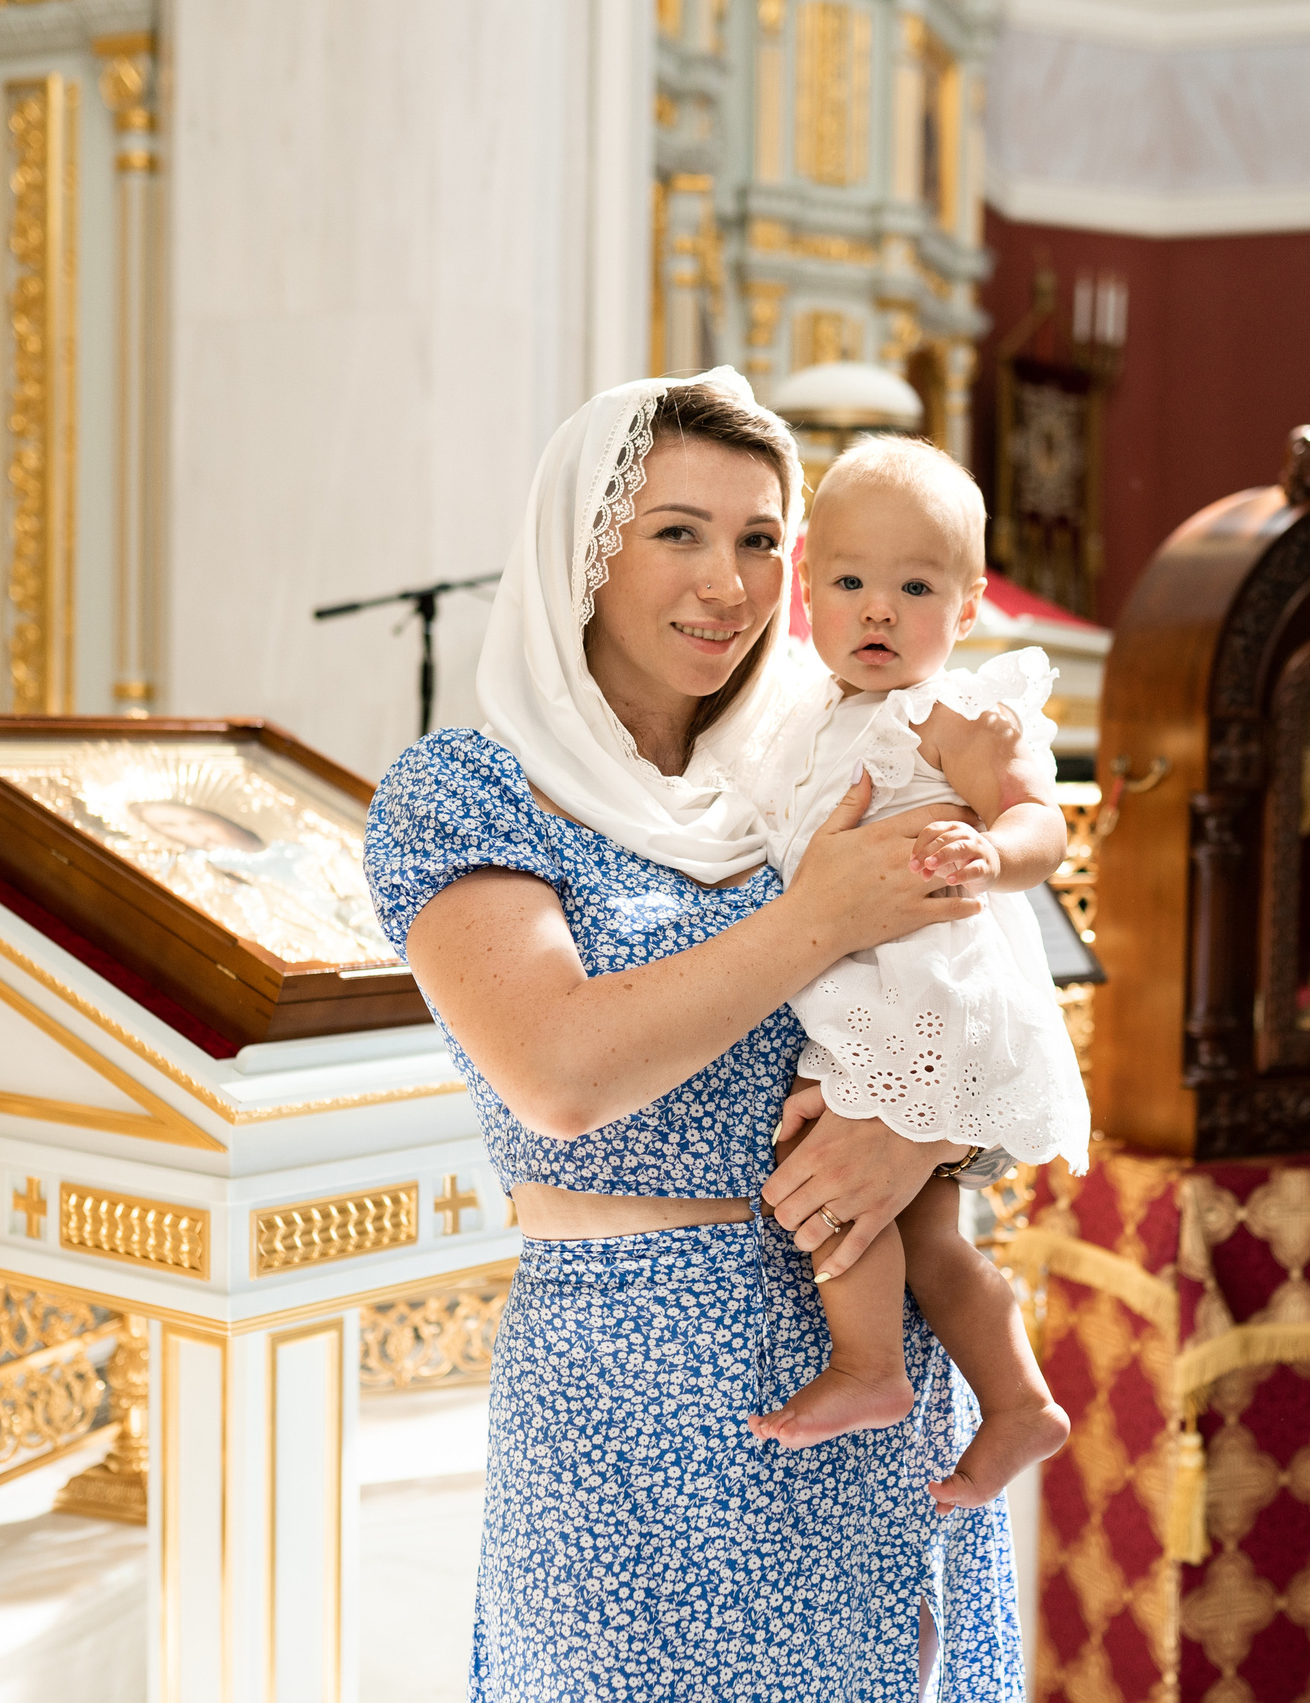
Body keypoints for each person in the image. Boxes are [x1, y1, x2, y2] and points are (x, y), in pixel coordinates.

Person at [363, 369, 1024, 1699]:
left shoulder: (825, 765)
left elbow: (986, 998)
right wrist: (821, 912)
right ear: (585, 551)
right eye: (678, 532)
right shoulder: (467, 792)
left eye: (762, 539)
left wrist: (920, 1136)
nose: (728, 582)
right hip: (629, 1387)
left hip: (873, 1372)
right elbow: (560, 1071)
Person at [738, 435, 1085, 1512]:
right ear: (807, 588)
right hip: (864, 987)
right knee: (926, 1231)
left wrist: (994, 851)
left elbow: (1041, 822)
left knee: (829, 1164)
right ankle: (1014, 1400)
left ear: (969, 607)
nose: (878, 609)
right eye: (849, 582)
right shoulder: (803, 717)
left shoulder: (953, 713)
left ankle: (869, 1365)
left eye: (916, 587)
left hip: (929, 993)